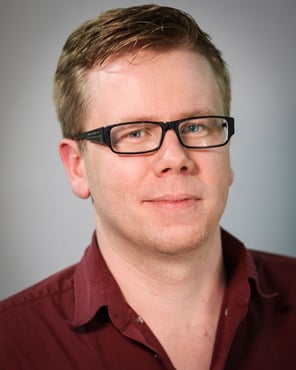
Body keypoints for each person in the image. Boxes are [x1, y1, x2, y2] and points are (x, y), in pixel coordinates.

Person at [0, 4, 295, 370]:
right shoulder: (10, 344)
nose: (175, 157)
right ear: (77, 167)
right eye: (135, 133)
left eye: (197, 127)